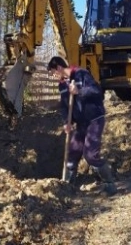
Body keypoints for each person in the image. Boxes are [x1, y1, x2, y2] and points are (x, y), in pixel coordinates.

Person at [48, 56, 117, 196]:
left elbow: (97, 92)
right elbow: (64, 107)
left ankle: (109, 183)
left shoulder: (81, 74)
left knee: (90, 155)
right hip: (81, 122)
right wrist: (66, 122)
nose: (53, 76)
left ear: (59, 68)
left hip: (94, 119)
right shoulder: (62, 85)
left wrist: (79, 91)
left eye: (53, 73)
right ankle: (68, 184)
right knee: (72, 152)